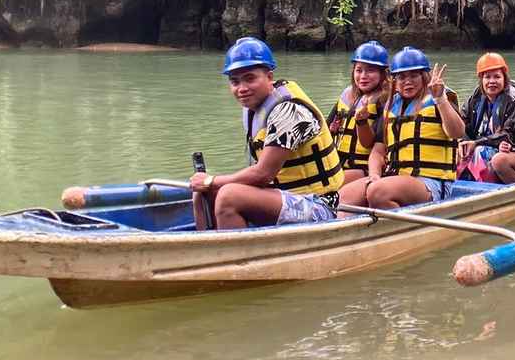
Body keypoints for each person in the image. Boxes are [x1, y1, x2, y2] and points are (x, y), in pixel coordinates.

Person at [188, 37, 343, 230]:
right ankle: (207, 248)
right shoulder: (256, 110)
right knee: (204, 192)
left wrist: (211, 179)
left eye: (250, 78)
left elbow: (263, 174)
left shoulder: (289, 112)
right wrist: (209, 185)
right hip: (282, 197)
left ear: (269, 77)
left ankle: (239, 256)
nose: (242, 89)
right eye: (235, 82)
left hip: (319, 206)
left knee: (228, 196)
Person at [337, 46, 465, 209]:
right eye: (402, 77)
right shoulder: (391, 106)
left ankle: (401, 231)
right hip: (395, 177)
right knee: (341, 197)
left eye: (414, 76)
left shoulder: (438, 99)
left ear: (425, 77)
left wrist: (440, 98)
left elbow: (457, 132)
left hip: (431, 183)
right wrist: (375, 175)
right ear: (394, 81)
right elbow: (378, 151)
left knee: (378, 192)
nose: (408, 81)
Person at [327, 41, 391, 186]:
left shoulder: (385, 100)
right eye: (359, 70)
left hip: (364, 168)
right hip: (338, 164)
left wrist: (361, 121)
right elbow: (325, 129)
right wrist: (332, 131)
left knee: (327, 185)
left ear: (383, 73)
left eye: (370, 71)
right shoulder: (347, 94)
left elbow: (369, 143)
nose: (363, 76)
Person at [458, 52, 515, 182]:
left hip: (510, 147)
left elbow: (508, 134)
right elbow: (461, 123)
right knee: (459, 151)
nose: (492, 81)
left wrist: (476, 143)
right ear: (481, 80)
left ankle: (485, 188)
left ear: (504, 79)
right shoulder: (475, 98)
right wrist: (462, 142)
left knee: (480, 152)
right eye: (487, 77)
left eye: (497, 77)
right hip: (481, 144)